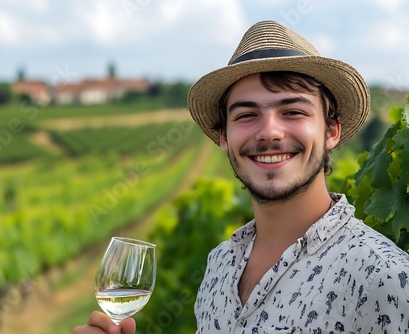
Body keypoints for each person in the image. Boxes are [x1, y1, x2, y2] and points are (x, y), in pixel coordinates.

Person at [73, 20, 409, 334]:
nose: (270, 132)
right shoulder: (220, 264)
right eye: (247, 115)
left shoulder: (386, 279)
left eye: (293, 111)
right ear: (224, 137)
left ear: (331, 131)